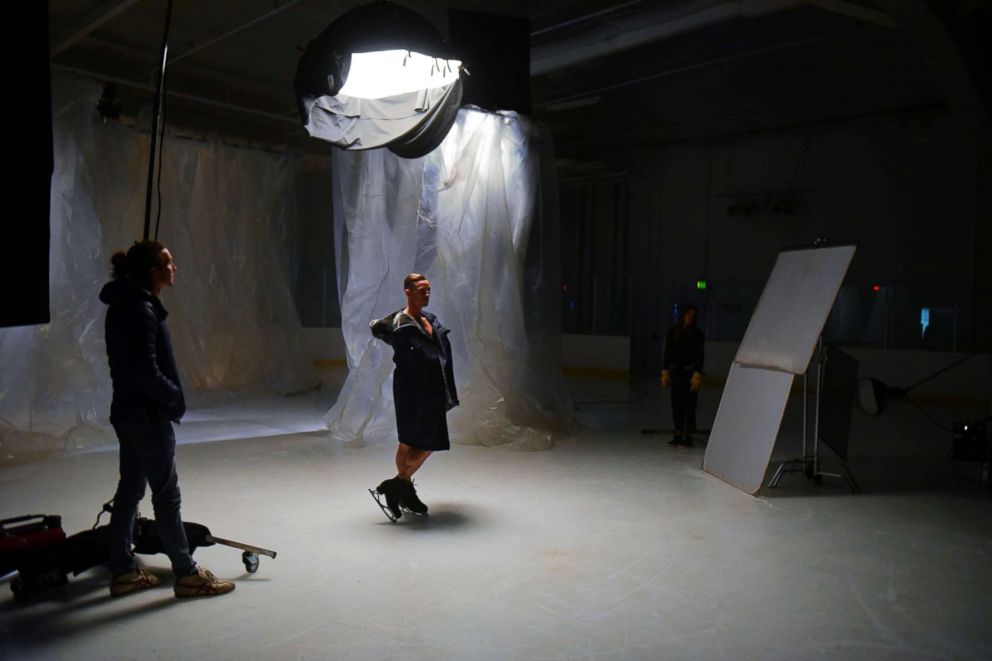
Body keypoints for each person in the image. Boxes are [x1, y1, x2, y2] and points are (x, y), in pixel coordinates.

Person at [99, 240, 234, 598]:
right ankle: (187, 574)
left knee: (130, 490)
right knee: (166, 495)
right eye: (168, 263)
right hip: (147, 416)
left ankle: (123, 569)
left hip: (127, 412)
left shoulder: (126, 304)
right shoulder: (140, 309)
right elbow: (145, 372)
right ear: (153, 272)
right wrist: (174, 399)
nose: (174, 268)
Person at [368, 273, 458, 522]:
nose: (426, 294)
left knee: (430, 441)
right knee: (409, 440)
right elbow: (379, 329)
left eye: (428, 289)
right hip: (410, 389)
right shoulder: (399, 323)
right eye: (421, 289)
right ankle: (401, 488)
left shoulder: (431, 320)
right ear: (407, 291)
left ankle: (398, 485)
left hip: (434, 389)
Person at [660, 305, 705, 446]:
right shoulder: (673, 332)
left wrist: (698, 372)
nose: (690, 317)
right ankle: (678, 432)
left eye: (693, 315)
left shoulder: (698, 334)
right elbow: (667, 352)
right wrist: (665, 371)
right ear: (683, 315)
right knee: (676, 404)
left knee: (690, 405)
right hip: (676, 373)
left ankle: (688, 434)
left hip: (690, 373)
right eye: (688, 314)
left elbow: (700, 355)